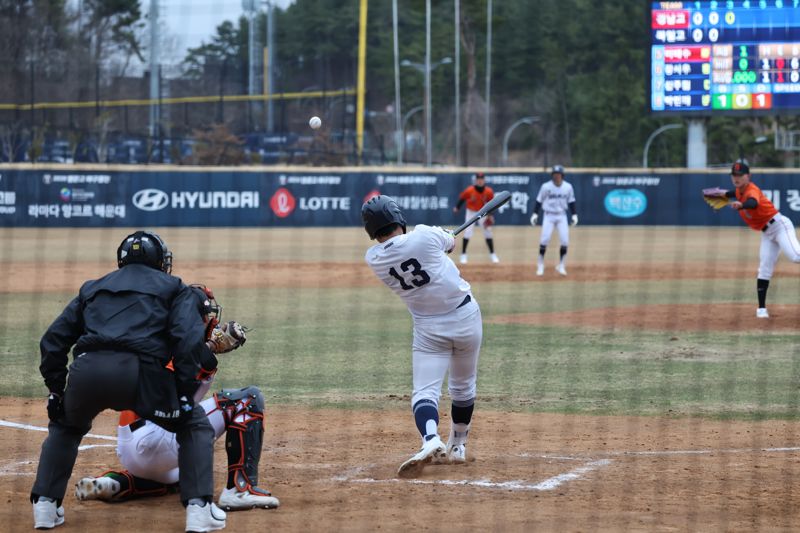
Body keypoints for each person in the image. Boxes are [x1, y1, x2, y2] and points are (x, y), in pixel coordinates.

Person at [30, 230, 238, 532]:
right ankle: (199, 510)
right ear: (160, 262)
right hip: (141, 374)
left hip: (86, 371)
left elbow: (53, 340)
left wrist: (54, 389)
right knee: (193, 425)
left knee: (65, 427)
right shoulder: (175, 288)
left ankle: (45, 509)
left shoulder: (92, 288)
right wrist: (183, 391)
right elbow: (187, 340)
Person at [74, 285, 278, 511]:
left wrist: (208, 350)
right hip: (155, 435)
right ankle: (240, 490)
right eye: (206, 315)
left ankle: (114, 482)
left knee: (182, 475)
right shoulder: (176, 343)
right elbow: (175, 387)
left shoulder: (158, 333)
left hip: (131, 447)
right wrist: (209, 348)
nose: (211, 322)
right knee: (248, 399)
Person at [362, 195, 482, 478]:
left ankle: (430, 439)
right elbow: (449, 244)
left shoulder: (374, 258)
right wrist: (442, 239)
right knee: (463, 387)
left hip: (428, 328)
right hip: (466, 319)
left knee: (424, 392)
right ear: (397, 217)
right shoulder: (425, 235)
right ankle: (458, 446)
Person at [720, 160, 800, 318]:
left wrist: (741, 206)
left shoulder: (751, 190)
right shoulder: (738, 191)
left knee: (796, 256)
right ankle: (761, 309)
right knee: (764, 268)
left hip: (779, 226)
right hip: (767, 233)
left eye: (739, 175)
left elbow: (752, 202)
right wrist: (717, 194)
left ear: (747, 176)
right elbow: (729, 194)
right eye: (733, 175)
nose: (736, 178)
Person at [530, 164, 578, 276]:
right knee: (544, 240)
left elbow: (571, 201)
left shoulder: (568, 187)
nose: (557, 176)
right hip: (549, 216)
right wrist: (535, 214)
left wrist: (574, 215)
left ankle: (561, 265)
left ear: (562, 175)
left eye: (558, 174)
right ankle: (540, 265)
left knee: (565, 241)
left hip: (562, 216)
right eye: (555, 174)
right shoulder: (546, 187)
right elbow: (539, 201)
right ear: (552, 175)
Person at [453, 172, 499, 264]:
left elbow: (492, 205)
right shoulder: (469, 190)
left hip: (483, 212)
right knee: (467, 232)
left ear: (484, 180)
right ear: (476, 180)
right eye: (478, 179)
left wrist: (491, 216)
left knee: (488, 232)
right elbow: (462, 198)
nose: (480, 180)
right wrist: (457, 207)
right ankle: (463, 255)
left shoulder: (489, 191)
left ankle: (492, 254)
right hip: (471, 212)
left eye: (481, 179)